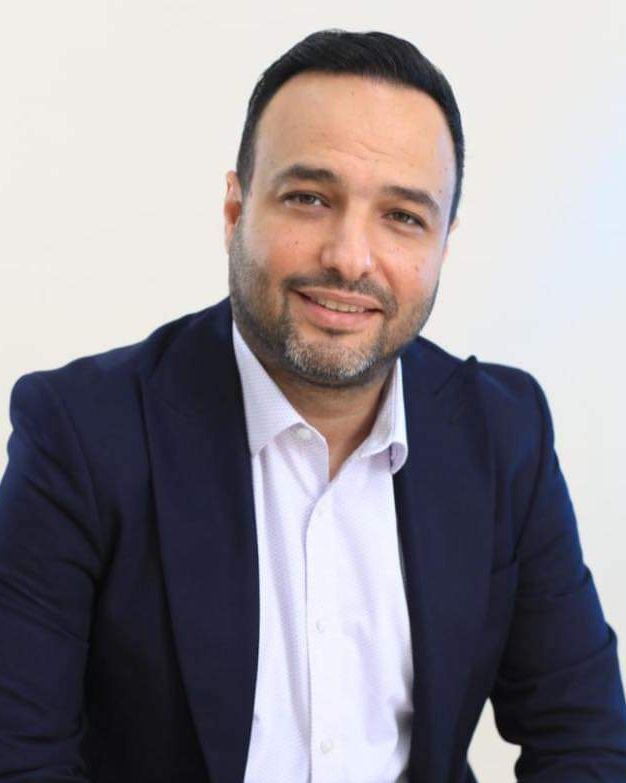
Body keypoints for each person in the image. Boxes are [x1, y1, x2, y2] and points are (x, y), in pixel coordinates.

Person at [0, 28, 625, 783]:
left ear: (443, 244)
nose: (349, 257)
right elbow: (21, 754)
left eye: (402, 216)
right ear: (235, 209)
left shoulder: (504, 432)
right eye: (308, 198)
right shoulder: (82, 431)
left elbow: (585, 741)